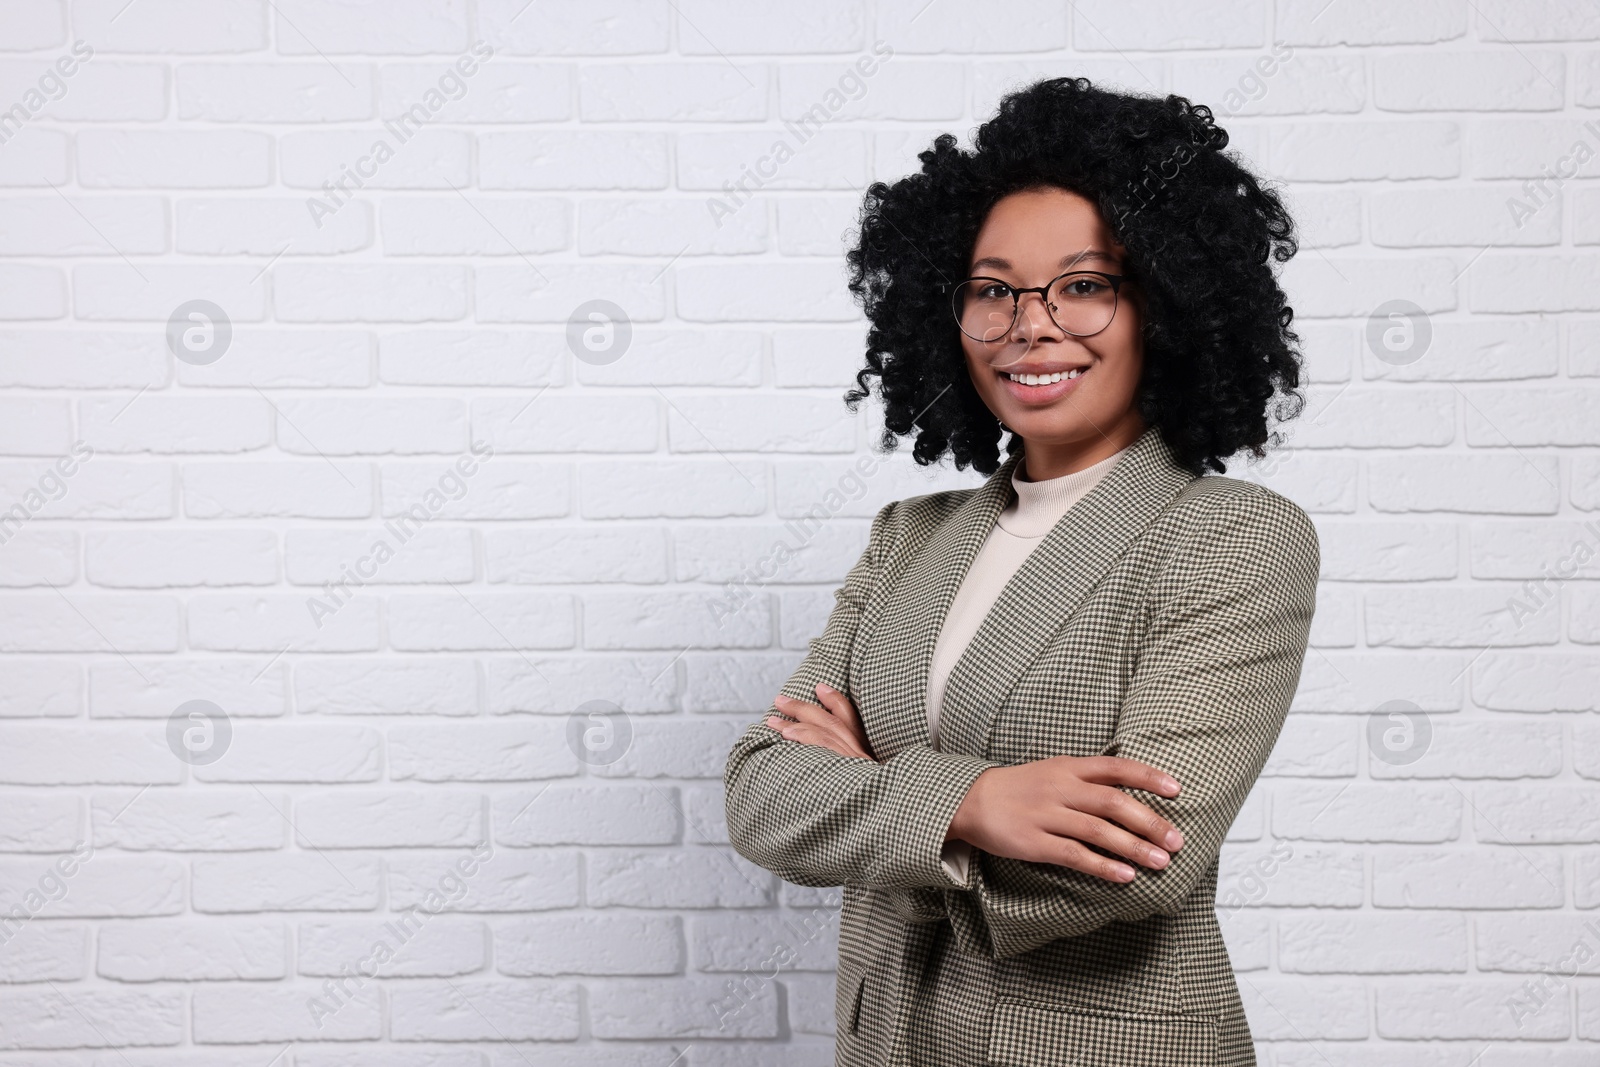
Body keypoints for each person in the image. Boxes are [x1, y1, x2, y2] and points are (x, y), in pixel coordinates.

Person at [722, 76, 1318, 1067]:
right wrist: (973, 805)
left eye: (1084, 284)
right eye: (991, 289)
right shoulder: (908, 536)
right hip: (891, 1038)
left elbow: (1136, 861)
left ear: (1165, 304)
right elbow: (761, 794)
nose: (1027, 324)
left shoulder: (1230, 538)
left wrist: (873, 794)